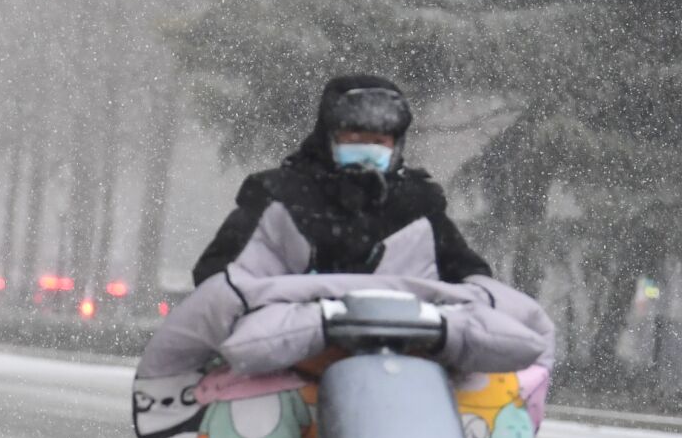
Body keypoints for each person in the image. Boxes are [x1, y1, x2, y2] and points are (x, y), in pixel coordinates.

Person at [191, 74, 490, 286]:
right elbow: (216, 276)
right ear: (329, 136)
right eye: (355, 136)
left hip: (398, 351)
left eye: (379, 139)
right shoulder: (279, 195)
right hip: (292, 354)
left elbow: (468, 275)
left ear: (396, 145)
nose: (368, 147)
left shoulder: (417, 205)